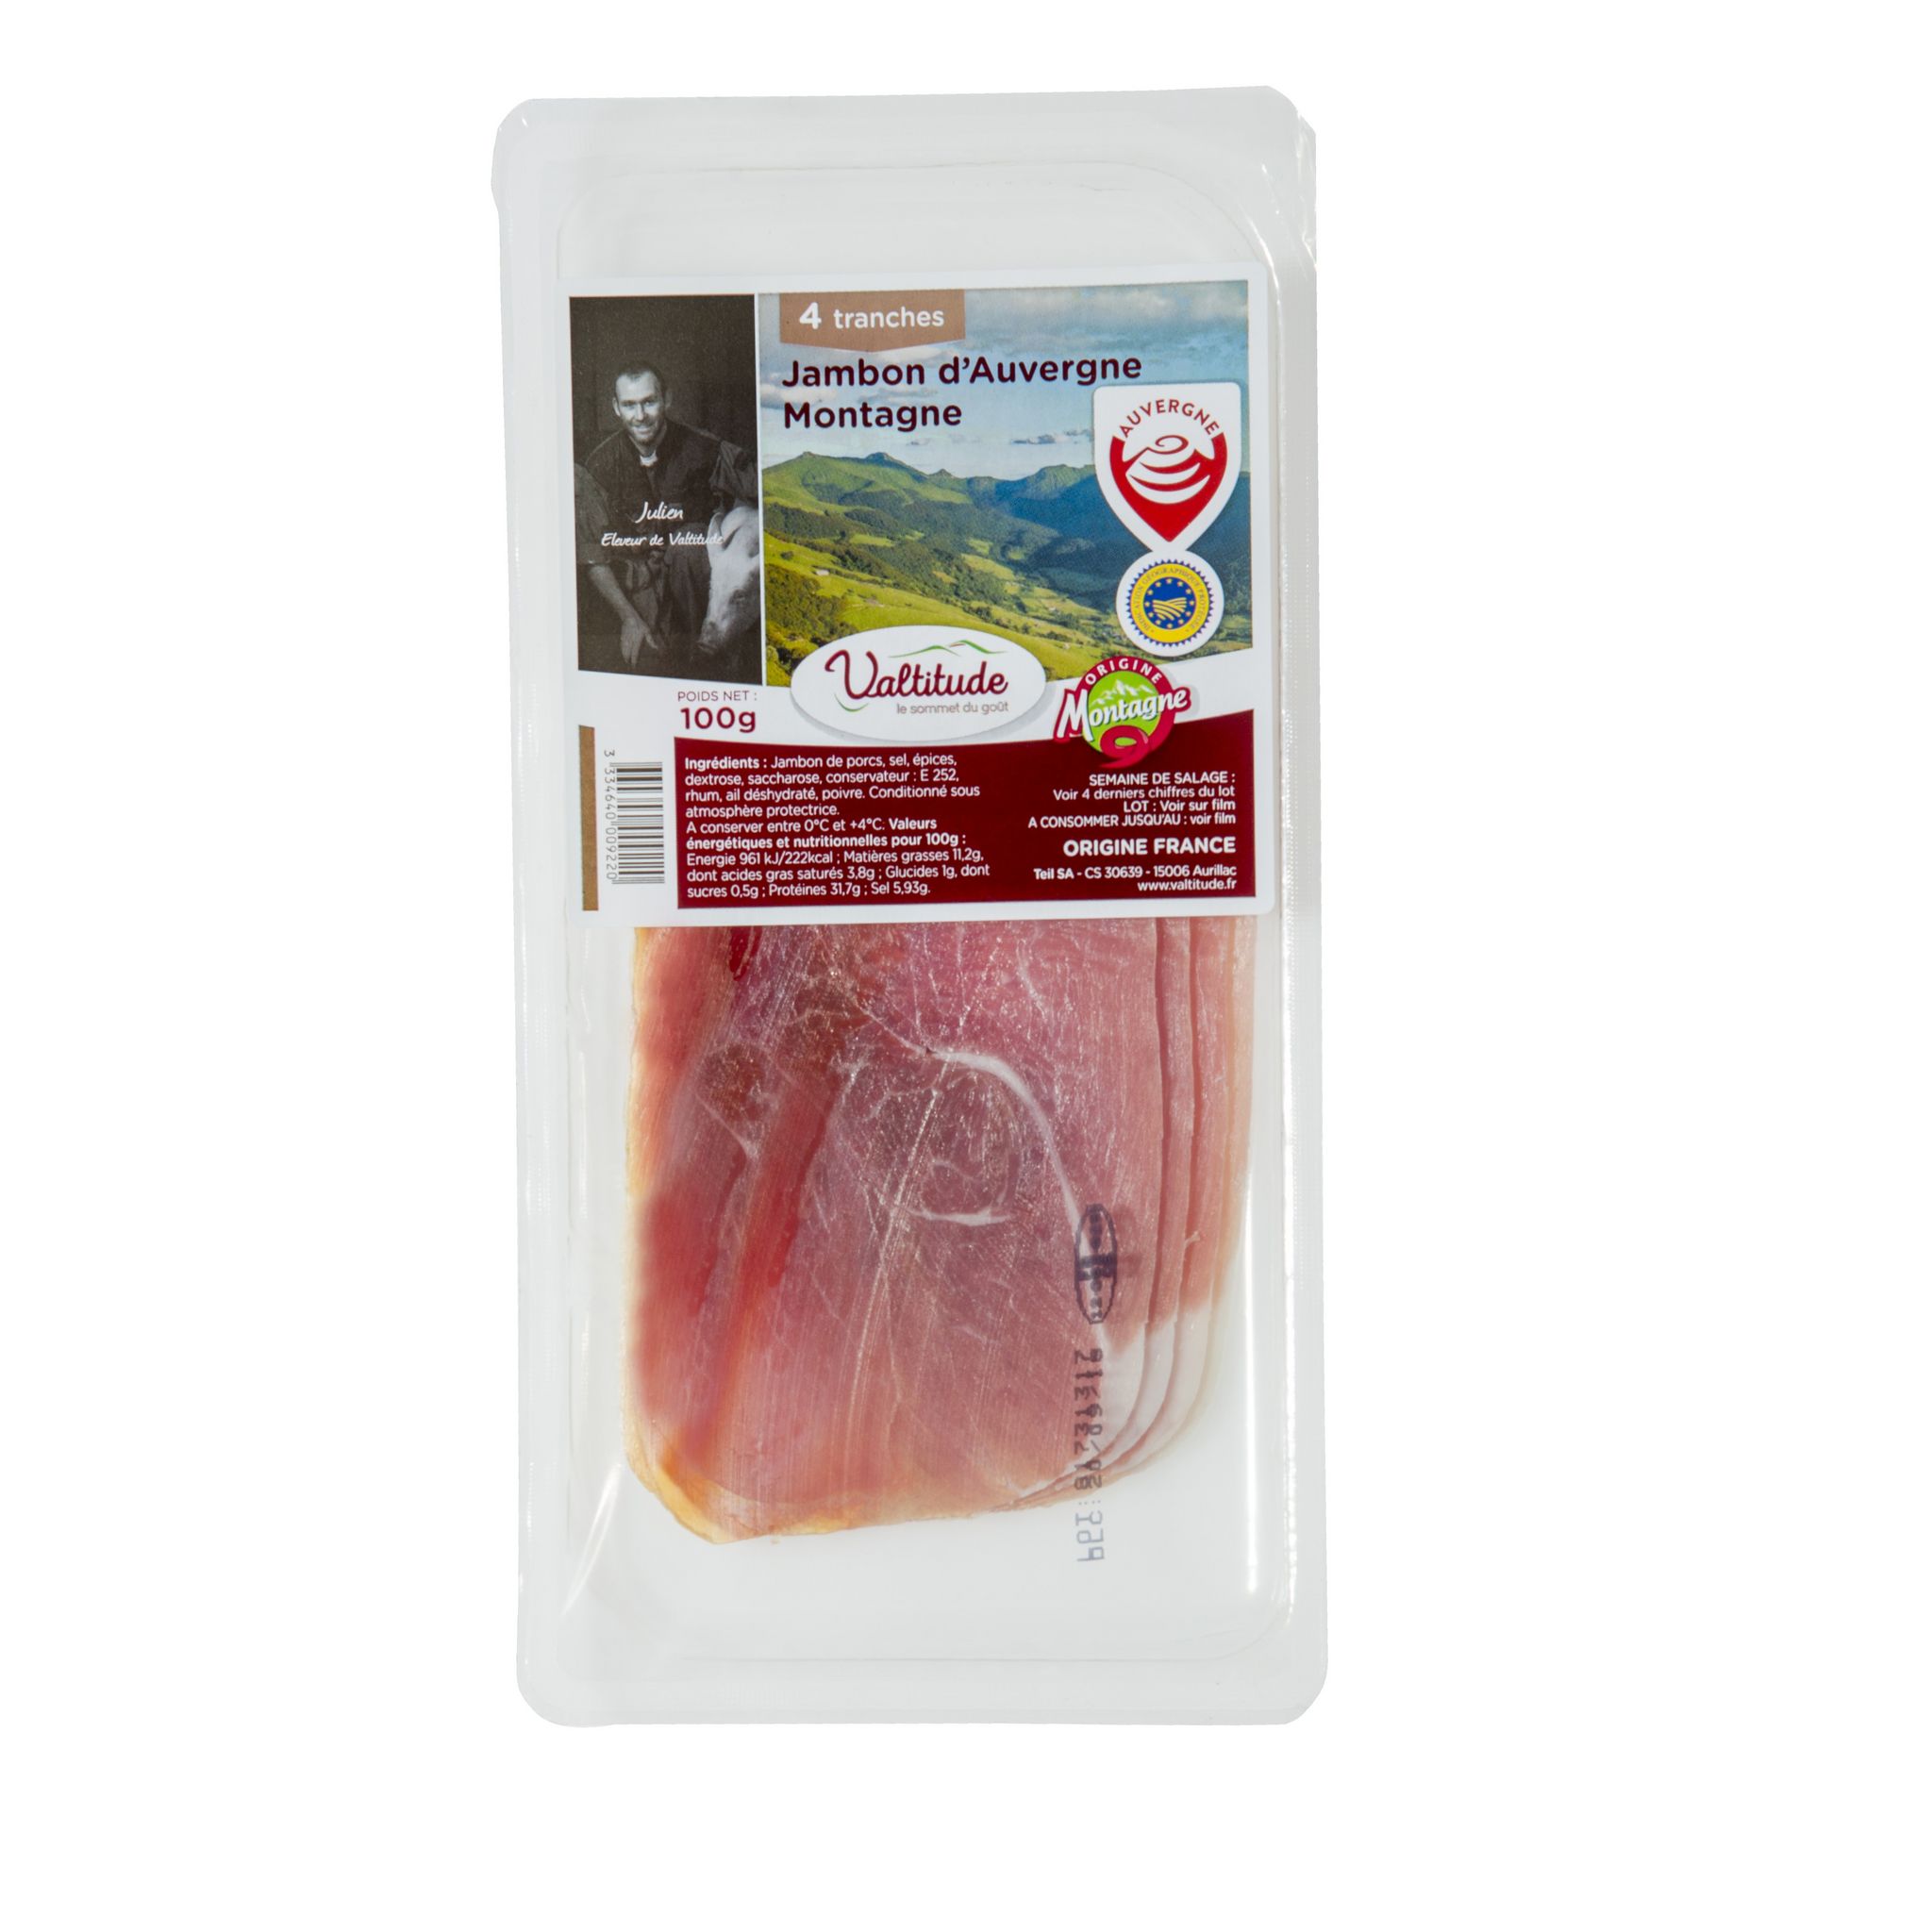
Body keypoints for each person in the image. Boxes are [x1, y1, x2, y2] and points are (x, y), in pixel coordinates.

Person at [574, 361, 758, 675]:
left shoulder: (706, 450)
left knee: (688, 546)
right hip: (636, 588)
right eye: (629, 405)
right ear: (616, 408)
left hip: (696, 586)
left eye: (649, 402)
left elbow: (765, 487)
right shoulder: (599, 465)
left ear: (666, 399)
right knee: (645, 662)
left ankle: (708, 661)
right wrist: (628, 616)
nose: (640, 416)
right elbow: (592, 552)